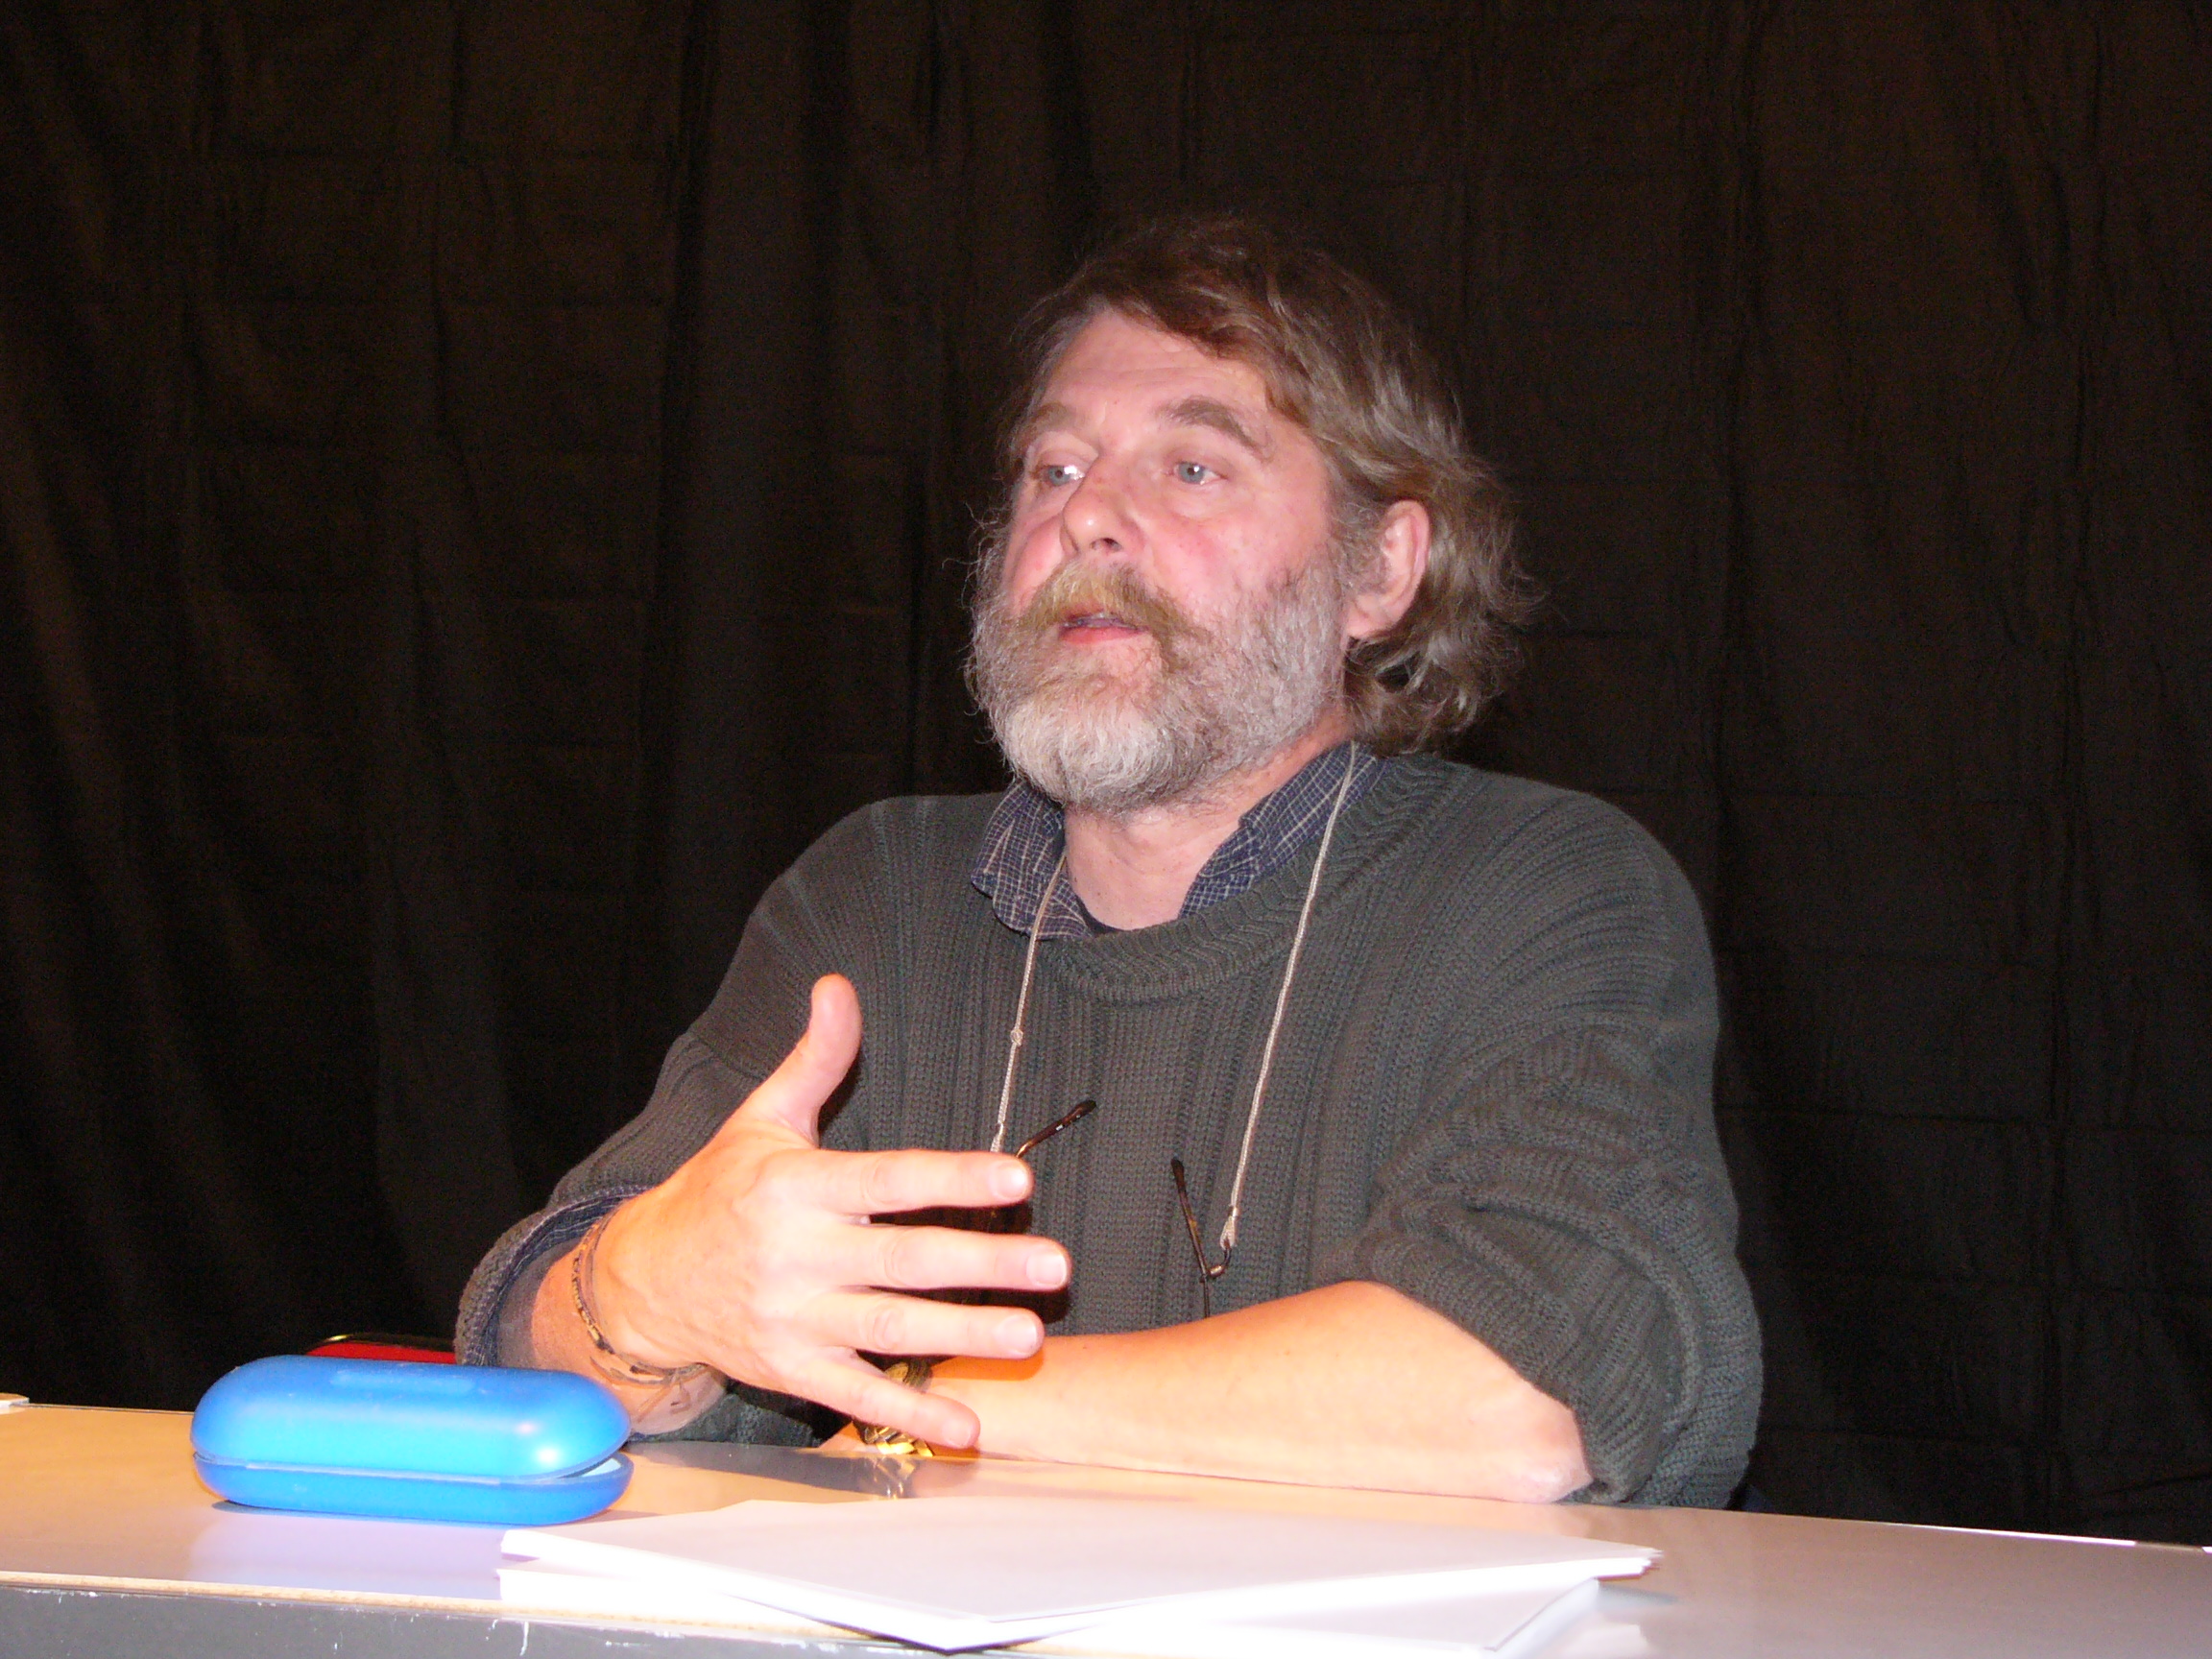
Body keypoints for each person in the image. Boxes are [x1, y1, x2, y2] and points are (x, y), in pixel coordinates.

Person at [457, 215, 1761, 1507]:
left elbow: (1524, 1400)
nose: (1087, 518)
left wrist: (935, 1414)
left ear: (1379, 570)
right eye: (1055, 468)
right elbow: (529, 1324)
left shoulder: (1544, 892)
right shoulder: (876, 897)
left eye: (1192, 468)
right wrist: (641, 1294)